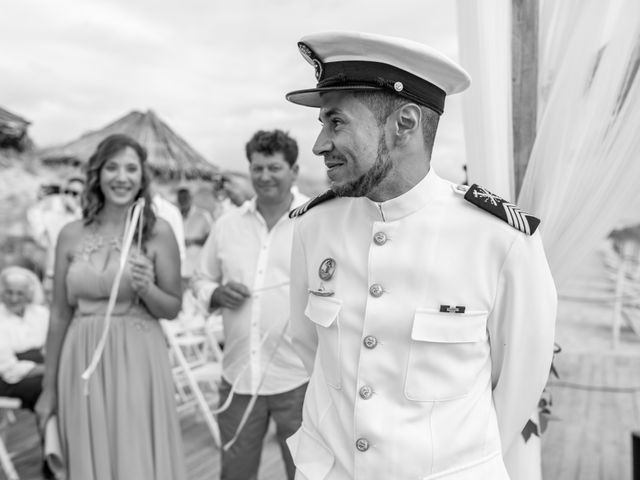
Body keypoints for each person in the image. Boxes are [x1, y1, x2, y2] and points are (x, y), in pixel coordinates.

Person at [284, 32, 557, 479]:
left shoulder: (500, 240)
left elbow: (519, 385)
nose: (318, 145)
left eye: (336, 123)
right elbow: (307, 345)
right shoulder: (314, 227)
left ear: (405, 123)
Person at [35, 134, 187, 480]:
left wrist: (147, 286)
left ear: (142, 177)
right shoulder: (70, 234)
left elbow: (172, 307)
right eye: (112, 167)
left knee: (134, 454)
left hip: (139, 357)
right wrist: (48, 388)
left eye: (131, 168)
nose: (122, 177)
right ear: (97, 175)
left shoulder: (157, 232)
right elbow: (59, 314)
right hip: (81, 358)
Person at [192, 129, 309, 480]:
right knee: (235, 473)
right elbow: (200, 279)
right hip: (239, 375)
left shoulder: (316, 221)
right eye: (257, 168)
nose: (264, 176)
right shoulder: (227, 226)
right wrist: (215, 294)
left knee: (305, 473)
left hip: (300, 378)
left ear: (294, 171)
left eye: (274, 167)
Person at [27, 174, 85, 298]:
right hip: (51, 272)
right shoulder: (52, 213)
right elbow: (42, 237)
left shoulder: (85, 214)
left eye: (74, 193)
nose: (68, 196)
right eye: (66, 192)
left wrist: (76, 210)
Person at [0, 266, 48, 411]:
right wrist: (46, 369)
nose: (14, 299)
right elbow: (9, 370)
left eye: (20, 293)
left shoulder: (42, 314)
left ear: (28, 294)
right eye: (9, 292)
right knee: (48, 388)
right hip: (10, 379)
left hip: (43, 370)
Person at [176, 185, 213, 282]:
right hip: (178, 268)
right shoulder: (175, 215)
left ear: (191, 198)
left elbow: (211, 239)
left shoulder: (203, 215)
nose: (182, 200)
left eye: (185, 198)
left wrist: (192, 241)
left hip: (196, 268)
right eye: (180, 198)